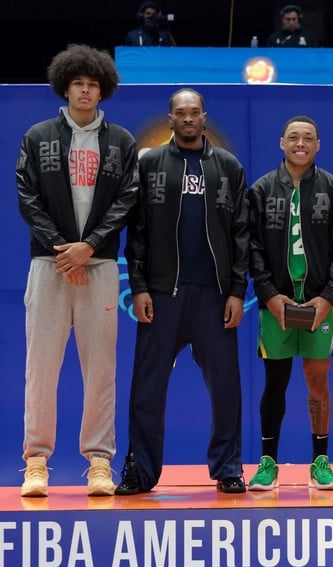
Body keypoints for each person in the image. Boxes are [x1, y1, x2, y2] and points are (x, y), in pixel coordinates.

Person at [16, 44, 139, 497]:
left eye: (93, 85)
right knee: (41, 367)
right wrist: (61, 248)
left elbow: (127, 198)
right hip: (49, 265)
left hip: (101, 265)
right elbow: (27, 197)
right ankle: (36, 462)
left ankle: (100, 461)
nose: (85, 91)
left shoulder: (121, 141)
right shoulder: (39, 136)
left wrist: (89, 246)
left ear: (102, 90)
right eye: (78, 84)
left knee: (100, 368)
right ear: (64, 88)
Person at [115, 88, 250, 495]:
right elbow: (136, 233)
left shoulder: (227, 166)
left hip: (213, 294)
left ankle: (228, 467)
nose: (188, 119)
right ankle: (141, 470)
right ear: (170, 119)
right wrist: (139, 287)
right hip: (162, 294)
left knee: (225, 386)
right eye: (180, 113)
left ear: (204, 118)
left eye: (194, 113)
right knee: (147, 387)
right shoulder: (150, 163)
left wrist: (237, 291)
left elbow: (242, 233)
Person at [246, 116, 333, 492]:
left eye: (309, 137)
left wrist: (328, 297)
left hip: (318, 304)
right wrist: (269, 295)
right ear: (281, 142)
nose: (301, 143)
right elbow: (252, 248)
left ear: (319, 145)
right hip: (274, 303)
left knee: (317, 381)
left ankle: (320, 462)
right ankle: (268, 463)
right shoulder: (261, 190)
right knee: (275, 383)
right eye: (293, 137)